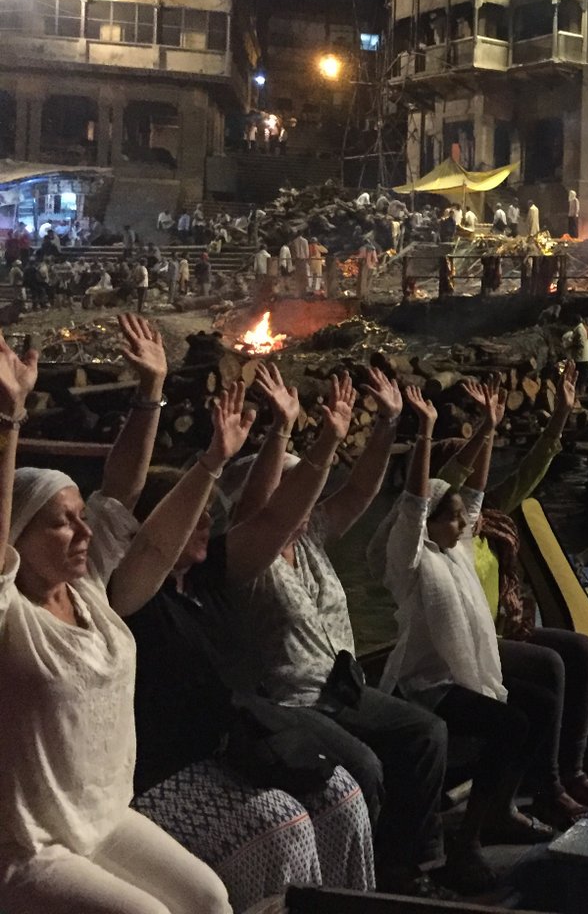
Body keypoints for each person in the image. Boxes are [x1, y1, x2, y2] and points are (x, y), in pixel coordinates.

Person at [0, 317, 235, 914]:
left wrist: (152, 393)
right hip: (29, 844)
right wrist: (11, 417)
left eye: (80, 517)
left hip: (104, 817)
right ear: (17, 536)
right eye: (62, 522)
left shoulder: (88, 592)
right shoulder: (9, 616)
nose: (84, 531)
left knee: (210, 899)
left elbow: (121, 494)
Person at [124, 370, 376, 909]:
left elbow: (277, 518)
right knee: (283, 825)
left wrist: (326, 441)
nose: (205, 524)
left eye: (206, 516)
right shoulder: (136, 596)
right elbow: (140, 526)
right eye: (191, 517)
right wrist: (211, 459)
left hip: (240, 738)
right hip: (173, 764)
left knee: (344, 797)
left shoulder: (208, 574)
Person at [223, 369, 452, 896]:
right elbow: (259, 510)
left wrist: (389, 423)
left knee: (426, 734)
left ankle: (410, 865)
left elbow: (361, 490)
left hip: (342, 690)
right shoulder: (248, 560)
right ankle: (352, 886)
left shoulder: (309, 540)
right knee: (365, 767)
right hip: (291, 702)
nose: (306, 504)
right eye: (294, 494)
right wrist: (283, 429)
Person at [372, 384, 588, 890]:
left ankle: (499, 809)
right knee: (511, 724)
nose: (462, 522)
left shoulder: (457, 548)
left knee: (537, 706)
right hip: (427, 686)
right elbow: (414, 503)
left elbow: (474, 497)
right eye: (449, 517)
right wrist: (424, 433)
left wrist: (489, 428)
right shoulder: (412, 560)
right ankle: (466, 843)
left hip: (461, 676)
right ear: (429, 524)